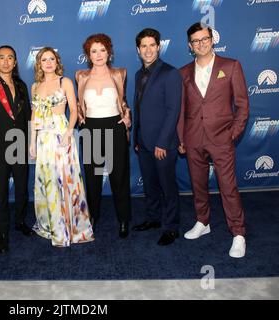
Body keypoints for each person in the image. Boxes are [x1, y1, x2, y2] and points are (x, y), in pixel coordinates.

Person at [178, 22, 249, 258]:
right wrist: (181, 138)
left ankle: (238, 233)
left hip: (221, 138)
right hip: (193, 137)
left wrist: (232, 135)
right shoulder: (184, 72)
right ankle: (203, 222)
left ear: (212, 39)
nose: (201, 44)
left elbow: (242, 105)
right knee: (198, 185)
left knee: (228, 187)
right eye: (196, 41)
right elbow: (181, 110)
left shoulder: (231, 66)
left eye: (204, 39)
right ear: (190, 45)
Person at [29, 47, 94, 247]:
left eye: (52, 59)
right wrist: (32, 142)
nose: (48, 63)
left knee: (66, 179)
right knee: (48, 181)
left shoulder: (64, 82)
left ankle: (73, 227)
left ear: (57, 62)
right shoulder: (35, 86)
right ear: (39, 64)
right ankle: (53, 226)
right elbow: (34, 116)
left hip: (61, 133)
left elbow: (74, 110)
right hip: (43, 139)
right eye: (44, 60)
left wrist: (68, 133)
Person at [75, 33, 132, 238]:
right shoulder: (81, 76)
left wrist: (127, 117)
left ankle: (124, 219)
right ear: (88, 55)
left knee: (120, 177)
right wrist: (81, 119)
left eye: (102, 50)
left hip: (114, 127)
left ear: (109, 52)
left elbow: (124, 101)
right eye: (93, 51)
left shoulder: (119, 73)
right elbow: (78, 103)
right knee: (92, 177)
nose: (98, 55)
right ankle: (93, 217)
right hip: (90, 129)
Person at [0, 45, 33, 254]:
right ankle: (3, 233)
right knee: (0, 192)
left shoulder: (21, 85)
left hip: (19, 144)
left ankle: (20, 222)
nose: (6, 61)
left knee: (21, 188)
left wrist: (29, 142)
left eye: (10, 57)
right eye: (2, 57)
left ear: (15, 62)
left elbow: (27, 116)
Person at [131, 28, 182, 246]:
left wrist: (162, 142)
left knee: (167, 186)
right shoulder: (138, 74)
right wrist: (136, 138)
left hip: (162, 143)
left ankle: (171, 227)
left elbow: (173, 110)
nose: (148, 50)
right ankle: (153, 218)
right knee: (150, 185)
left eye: (152, 45)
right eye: (144, 46)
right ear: (138, 49)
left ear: (159, 47)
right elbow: (140, 108)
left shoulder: (170, 73)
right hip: (142, 141)